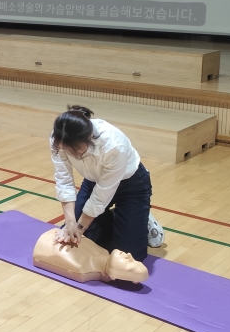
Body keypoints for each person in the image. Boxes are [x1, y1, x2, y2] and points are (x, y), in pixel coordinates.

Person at [50, 105, 165, 262]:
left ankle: (139, 219)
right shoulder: (59, 139)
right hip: (94, 182)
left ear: (90, 137)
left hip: (131, 187)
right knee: (77, 238)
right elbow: (64, 181)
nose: (72, 154)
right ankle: (118, 218)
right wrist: (70, 223)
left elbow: (102, 195)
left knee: (128, 256)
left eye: (76, 151)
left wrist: (80, 227)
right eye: (67, 150)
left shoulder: (114, 144)